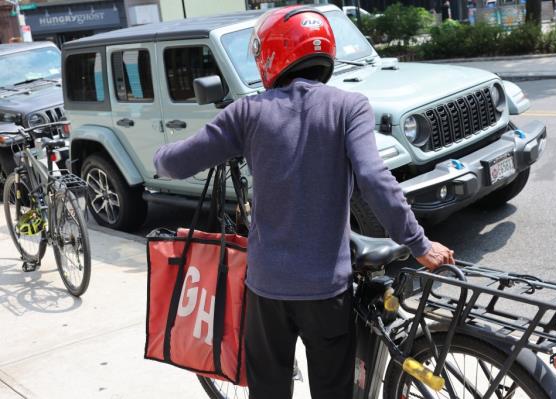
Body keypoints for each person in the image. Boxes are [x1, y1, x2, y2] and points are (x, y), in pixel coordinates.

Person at [154, 6, 454, 398]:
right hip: (327, 290)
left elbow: (175, 163)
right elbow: (375, 179)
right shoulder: (350, 106)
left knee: (270, 389)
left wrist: (160, 157)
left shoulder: (247, 111)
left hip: (267, 289)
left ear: (271, 57)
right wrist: (419, 243)